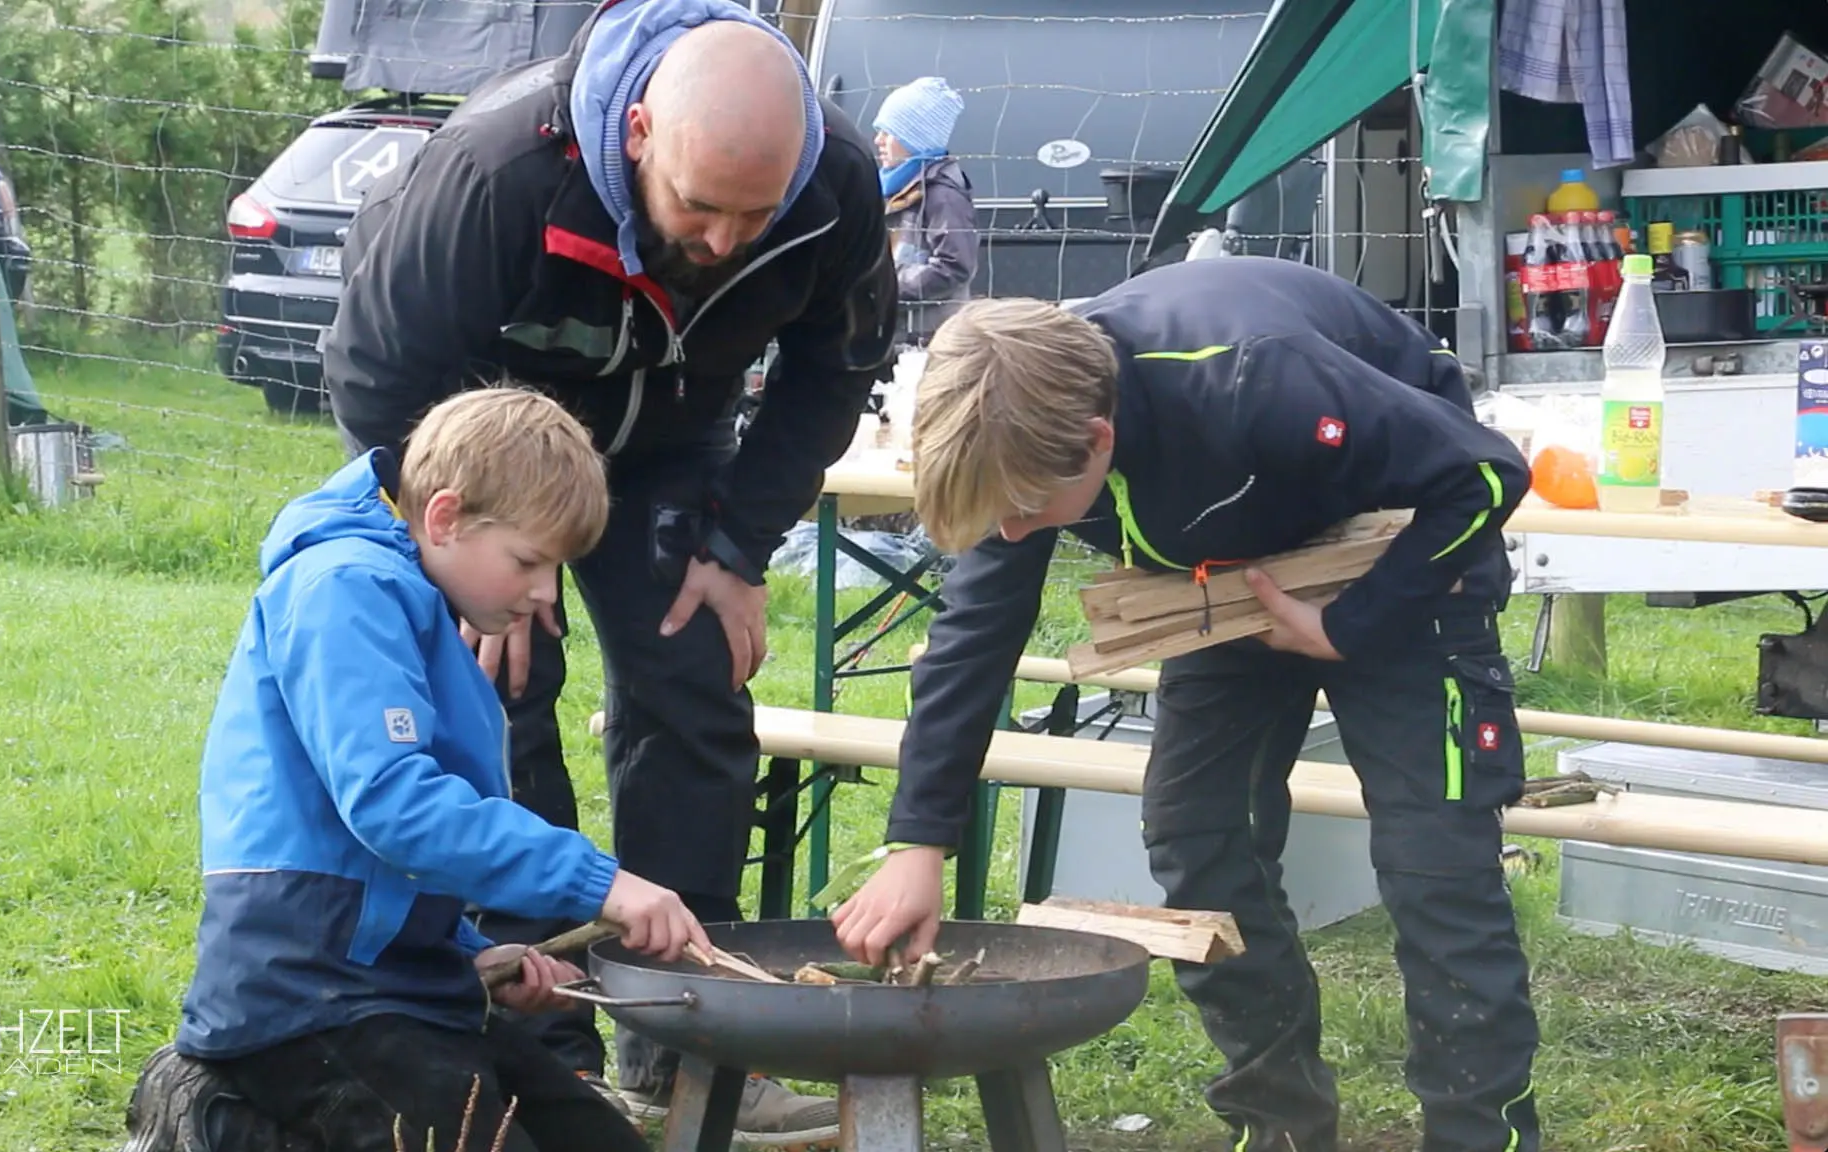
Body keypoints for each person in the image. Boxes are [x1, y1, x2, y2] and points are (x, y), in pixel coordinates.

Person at [320, 0, 895, 1138]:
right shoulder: (492, 174)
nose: (726, 240)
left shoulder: (833, 177)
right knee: (499, 697)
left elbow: (835, 372)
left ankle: (690, 1043)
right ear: (635, 132)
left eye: (754, 213)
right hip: (488, 449)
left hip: (672, 447)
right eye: (698, 206)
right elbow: (379, 375)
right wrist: (449, 567)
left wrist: (738, 548)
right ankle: (544, 1052)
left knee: (693, 686)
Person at [829, 257, 1543, 1152]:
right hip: (1228, 583)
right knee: (1199, 836)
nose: (1010, 534)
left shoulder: (1255, 377)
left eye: (1020, 512)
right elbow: (976, 637)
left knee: (1431, 861)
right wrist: (918, 842)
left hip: (1402, 563)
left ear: (1096, 441)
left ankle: (1482, 1137)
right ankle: (1280, 1125)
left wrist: (1349, 624)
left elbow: (1481, 476)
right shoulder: (1024, 431)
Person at [119, 388, 713, 1152]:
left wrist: (474, 954)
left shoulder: (417, 597)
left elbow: (383, 870)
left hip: (403, 988)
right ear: (444, 517)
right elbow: (394, 804)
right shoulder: (345, 589)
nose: (543, 593)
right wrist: (600, 882)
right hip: (309, 996)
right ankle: (222, 1117)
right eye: (529, 561)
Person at [874, 76, 977, 345]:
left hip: (931, 336)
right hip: (897, 331)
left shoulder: (942, 194)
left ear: (914, 138)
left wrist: (885, 287)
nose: (878, 140)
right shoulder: (894, 187)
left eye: (888, 131)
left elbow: (954, 266)